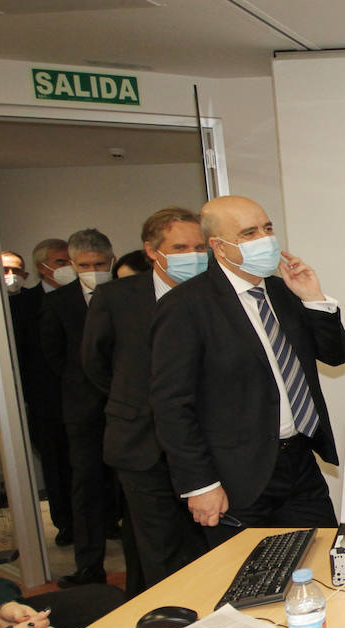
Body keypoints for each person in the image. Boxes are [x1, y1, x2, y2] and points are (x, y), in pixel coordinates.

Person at [150, 196, 345, 548]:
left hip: (299, 463)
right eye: (249, 233)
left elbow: (334, 355)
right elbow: (172, 406)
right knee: (250, 587)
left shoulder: (280, 291)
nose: (264, 239)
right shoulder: (185, 307)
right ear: (219, 247)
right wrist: (201, 485)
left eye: (267, 228)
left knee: (322, 563)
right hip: (236, 478)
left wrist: (314, 298)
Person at [82, 208, 208, 589]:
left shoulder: (214, 297)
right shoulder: (115, 298)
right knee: (159, 550)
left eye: (200, 247)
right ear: (152, 251)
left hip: (203, 444)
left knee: (207, 546)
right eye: (181, 247)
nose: (194, 255)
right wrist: (140, 403)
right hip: (141, 444)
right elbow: (95, 364)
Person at [39, 229, 119, 586]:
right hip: (82, 410)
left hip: (126, 407)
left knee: (133, 486)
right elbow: (54, 356)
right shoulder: (58, 303)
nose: (92, 270)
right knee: (85, 485)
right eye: (84, 264)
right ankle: (89, 565)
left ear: (111, 260)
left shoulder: (127, 293)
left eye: (99, 264)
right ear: (73, 264)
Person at [11, 240, 74, 547]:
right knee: (55, 462)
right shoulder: (22, 305)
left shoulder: (86, 298)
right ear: (42, 267)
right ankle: (65, 523)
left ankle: (102, 521)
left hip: (83, 396)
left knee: (89, 465)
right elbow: (19, 356)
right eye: (61, 261)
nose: (68, 267)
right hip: (45, 400)